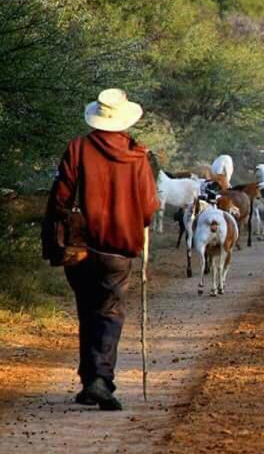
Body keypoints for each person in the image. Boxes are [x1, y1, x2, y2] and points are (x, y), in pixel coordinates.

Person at [42, 88, 159, 410]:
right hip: (118, 249)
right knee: (109, 312)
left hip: (79, 246)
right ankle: (99, 381)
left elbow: (60, 199)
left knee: (87, 308)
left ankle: (90, 380)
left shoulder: (77, 149)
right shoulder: (138, 156)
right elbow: (149, 208)